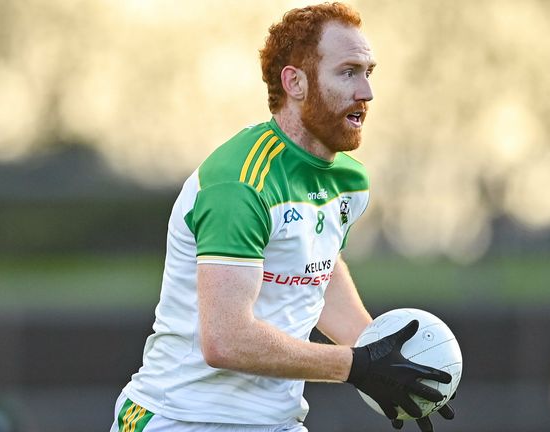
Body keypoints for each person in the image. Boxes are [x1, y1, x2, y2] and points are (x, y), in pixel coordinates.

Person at [110, 3, 454, 432]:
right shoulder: (240, 183)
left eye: (369, 72)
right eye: (348, 72)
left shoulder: (350, 182)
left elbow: (315, 269)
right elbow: (226, 339)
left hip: (277, 423)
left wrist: (386, 357)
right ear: (295, 82)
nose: (366, 92)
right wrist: (354, 366)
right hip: (181, 418)